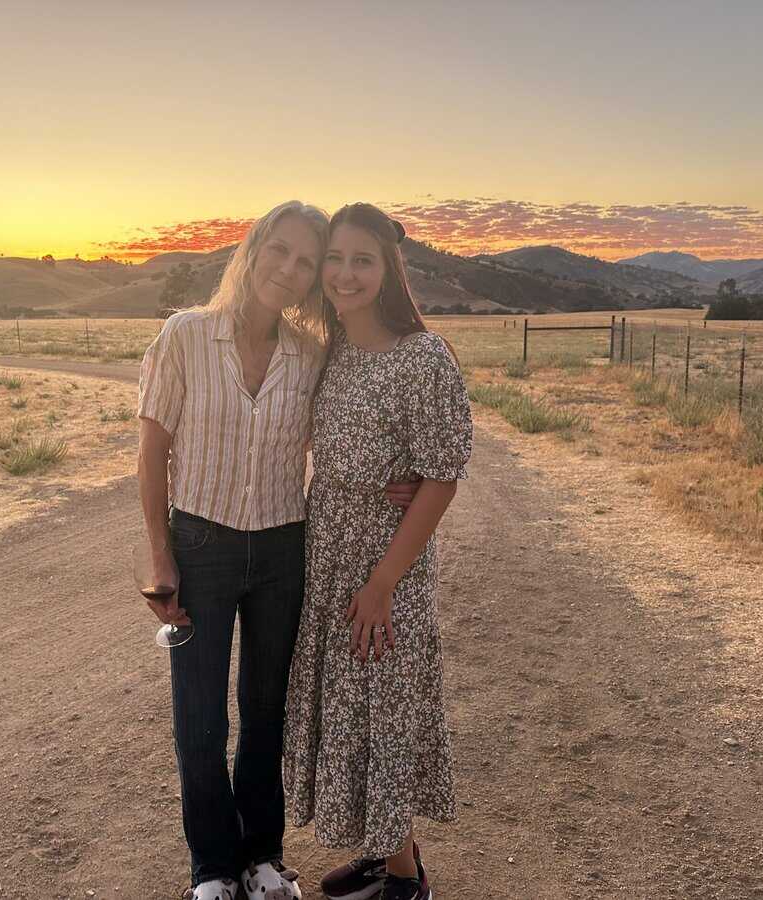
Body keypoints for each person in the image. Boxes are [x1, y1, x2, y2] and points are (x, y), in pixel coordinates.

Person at [137, 201, 419, 900]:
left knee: (267, 713)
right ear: (254, 248)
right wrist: (159, 554)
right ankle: (211, 869)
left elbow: (346, 430)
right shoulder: (184, 336)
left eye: (305, 261)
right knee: (200, 718)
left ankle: (262, 859)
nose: (290, 271)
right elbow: (152, 454)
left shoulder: (311, 354)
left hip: (282, 549)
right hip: (200, 543)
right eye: (281, 252)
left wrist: (398, 473)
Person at [283, 203, 473, 900]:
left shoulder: (422, 357)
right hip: (327, 545)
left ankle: (404, 883)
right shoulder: (329, 345)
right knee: (352, 703)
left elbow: (445, 473)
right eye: (334, 258)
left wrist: (384, 581)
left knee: (383, 701)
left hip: (383, 561)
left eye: (362, 260)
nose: (343, 273)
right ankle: (384, 850)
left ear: (389, 268)